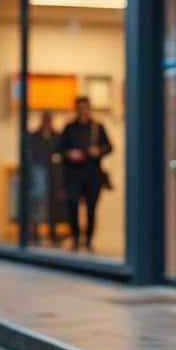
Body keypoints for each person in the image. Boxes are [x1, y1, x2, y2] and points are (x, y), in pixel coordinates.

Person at [57, 97, 112, 251]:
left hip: (92, 175)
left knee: (91, 209)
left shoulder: (97, 127)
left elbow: (109, 147)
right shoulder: (69, 128)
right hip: (73, 175)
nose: (82, 110)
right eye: (79, 107)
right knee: (72, 207)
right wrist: (70, 154)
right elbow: (59, 149)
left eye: (85, 107)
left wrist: (98, 150)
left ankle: (88, 240)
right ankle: (75, 238)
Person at [26, 111, 64, 245]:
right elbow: (30, 154)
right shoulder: (34, 136)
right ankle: (36, 233)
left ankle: (53, 233)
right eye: (45, 119)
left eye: (49, 119)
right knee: (39, 201)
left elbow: (60, 154)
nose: (47, 122)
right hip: (39, 172)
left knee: (53, 203)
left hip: (54, 173)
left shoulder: (57, 136)